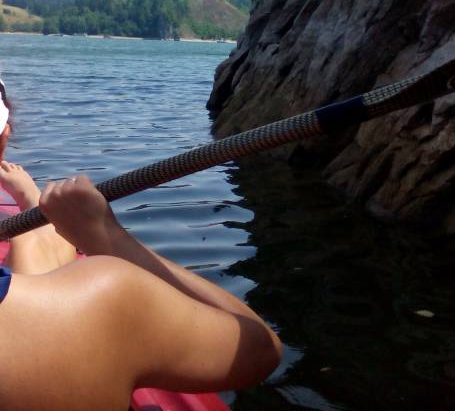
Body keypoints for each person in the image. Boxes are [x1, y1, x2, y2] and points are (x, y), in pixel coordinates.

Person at [0, 80, 282, 411]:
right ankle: (36, 219)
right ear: (5, 133)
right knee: (42, 250)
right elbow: (261, 350)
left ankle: (35, 222)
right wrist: (105, 236)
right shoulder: (110, 297)